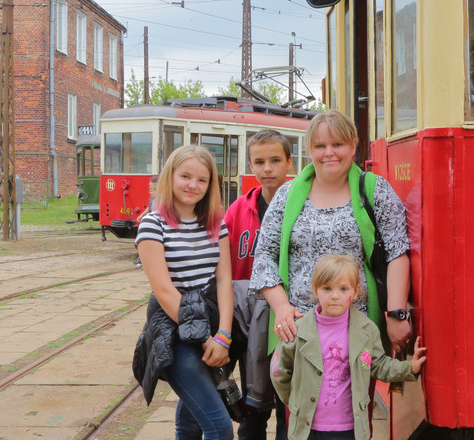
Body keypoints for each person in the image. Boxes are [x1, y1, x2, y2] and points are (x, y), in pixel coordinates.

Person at [251, 109, 413, 356]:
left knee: (354, 395)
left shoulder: (375, 190)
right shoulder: (286, 195)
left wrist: (395, 313)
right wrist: (282, 307)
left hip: (357, 333)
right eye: (320, 146)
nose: (328, 153)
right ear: (309, 150)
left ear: (353, 146)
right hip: (298, 332)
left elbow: (397, 252)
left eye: (337, 144)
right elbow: (264, 256)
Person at [135, 145, 235, 440]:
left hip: (214, 326)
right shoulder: (153, 225)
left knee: (191, 422)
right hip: (174, 331)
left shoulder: (217, 222)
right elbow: (165, 292)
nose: (193, 185)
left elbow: (224, 281)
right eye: (186, 176)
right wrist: (205, 340)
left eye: (202, 180)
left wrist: (224, 336)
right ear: (171, 176)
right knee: (220, 428)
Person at [271, 254, 425, 440]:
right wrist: (296, 402)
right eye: (327, 288)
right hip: (308, 428)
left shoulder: (366, 330)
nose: (335, 296)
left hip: (348, 429)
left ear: (355, 291)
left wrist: (409, 368)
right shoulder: (298, 330)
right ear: (315, 289)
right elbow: (279, 371)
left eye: (343, 289)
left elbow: (378, 365)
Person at [221, 130, 293, 440]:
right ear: (251, 165)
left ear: (289, 162)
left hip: (287, 318)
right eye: (259, 162)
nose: (267, 169)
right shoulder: (238, 210)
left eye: (275, 160)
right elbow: (223, 264)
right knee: (253, 408)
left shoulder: (301, 205)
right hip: (249, 322)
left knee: (286, 403)